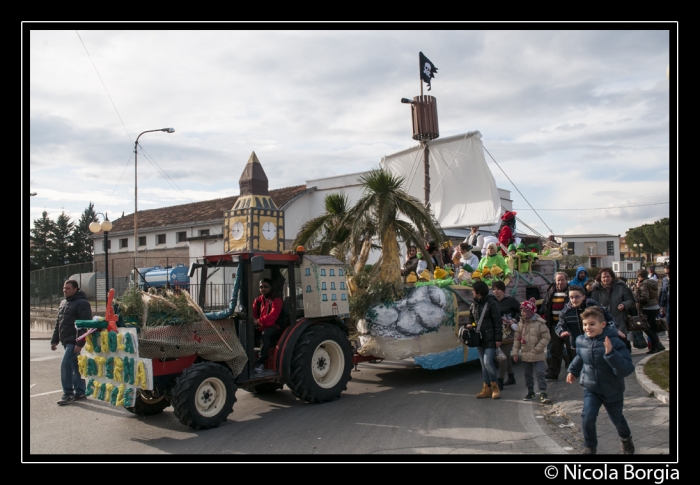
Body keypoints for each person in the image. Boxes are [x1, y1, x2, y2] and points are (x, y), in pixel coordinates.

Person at [566, 307, 635, 455]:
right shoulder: (581, 340)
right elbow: (580, 356)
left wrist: (611, 354)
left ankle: (626, 439)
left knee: (617, 419)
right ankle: (590, 447)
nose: (587, 328)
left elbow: (627, 369)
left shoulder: (615, 342)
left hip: (612, 389)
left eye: (592, 324)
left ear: (602, 325)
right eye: (585, 324)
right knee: (587, 417)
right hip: (591, 387)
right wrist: (573, 370)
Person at [50, 280, 91, 405]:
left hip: (74, 341)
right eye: (64, 288)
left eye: (68, 288)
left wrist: (80, 343)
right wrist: (54, 340)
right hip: (65, 340)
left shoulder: (82, 303)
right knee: (75, 365)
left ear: (75, 289)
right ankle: (80, 391)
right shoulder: (63, 302)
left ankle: (68, 394)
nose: (65, 290)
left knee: (65, 364)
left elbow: (85, 324)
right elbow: (59, 323)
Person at [557, 285, 622, 351]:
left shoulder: (592, 305)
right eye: (571, 297)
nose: (574, 300)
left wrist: (615, 329)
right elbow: (559, 325)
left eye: (577, 297)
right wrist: (562, 331)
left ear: (583, 297)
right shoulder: (566, 311)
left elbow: (609, 318)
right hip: (577, 343)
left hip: (596, 341)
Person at [468, 281, 503, 399]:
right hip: (480, 338)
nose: (472, 292)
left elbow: (498, 322)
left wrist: (498, 338)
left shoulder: (491, 303)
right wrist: (471, 325)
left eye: (473, 290)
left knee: (488, 362)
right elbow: (471, 319)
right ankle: (486, 388)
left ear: (478, 292)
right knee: (483, 364)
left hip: (490, 338)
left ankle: (495, 386)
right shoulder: (473, 304)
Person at [512, 298, 551, 403]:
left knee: (540, 372)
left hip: (537, 353)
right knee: (527, 374)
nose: (522, 313)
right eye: (522, 311)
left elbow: (546, 337)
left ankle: (543, 392)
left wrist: (538, 348)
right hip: (525, 353)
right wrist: (515, 353)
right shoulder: (521, 324)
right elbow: (517, 339)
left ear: (531, 311)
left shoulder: (540, 323)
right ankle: (530, 391)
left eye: (525, 311)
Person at [591, 268, 636, 352]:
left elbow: (630, 300)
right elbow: (592, 304)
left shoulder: (620, 287)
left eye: (608, 276)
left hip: (619, 319)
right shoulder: (596, 290)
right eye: (603, 277)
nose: (606, 279)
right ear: (600, 278)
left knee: (622, 343)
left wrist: (624, 304)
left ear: (612, 277)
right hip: (603, 321)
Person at [541, 272, 574, 381]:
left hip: (569, 326)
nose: (560, 282)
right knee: (555, 350)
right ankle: (553, 373)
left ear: (566, 280)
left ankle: (574, 371)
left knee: (571, 349)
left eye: (562, 280)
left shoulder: (571, 291)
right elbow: (545, 305)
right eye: (558, 280)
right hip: (555, 325)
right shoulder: (551, 290)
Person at [492, 280, 520, 389]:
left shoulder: (510, 300)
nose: (496, 291)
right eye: (494, 289)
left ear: (503, 290)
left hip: (509, 332)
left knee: (502, 356)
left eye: (498, 289)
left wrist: (514, 319)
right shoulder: (492, 301)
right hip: (497, 332)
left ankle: (500, 380)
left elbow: (521, 311)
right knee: (506, 355)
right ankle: (511, 377)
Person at [253, 278, 285, 372]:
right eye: (261, 287)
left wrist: (259, 322)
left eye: (266, 286)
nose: (263, 289)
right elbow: (254, 315)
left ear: (271, 287)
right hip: (262, 325)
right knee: (248, 330)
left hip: (276, 326)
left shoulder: (277, 299)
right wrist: (255, 322)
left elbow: (272, 317)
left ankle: (261, 362)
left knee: (265, 334)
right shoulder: (258, 301)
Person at [632, 269, 665, 354]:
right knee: (652, 328)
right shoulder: (652, 282)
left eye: (638, 277)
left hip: (647, 308)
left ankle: (658, 344)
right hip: (655, 306)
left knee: (645, 328)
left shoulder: (644, 284)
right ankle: (655, 347)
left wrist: (636, 289)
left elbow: (644, 298)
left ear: (640, 276)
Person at [658, 264, 671, 337]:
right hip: (668, 304)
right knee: (668, 321)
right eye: (666, 273)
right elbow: (663, 292)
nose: (667, 275)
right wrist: (661, 305)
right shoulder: (665, 280)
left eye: (668, 273)